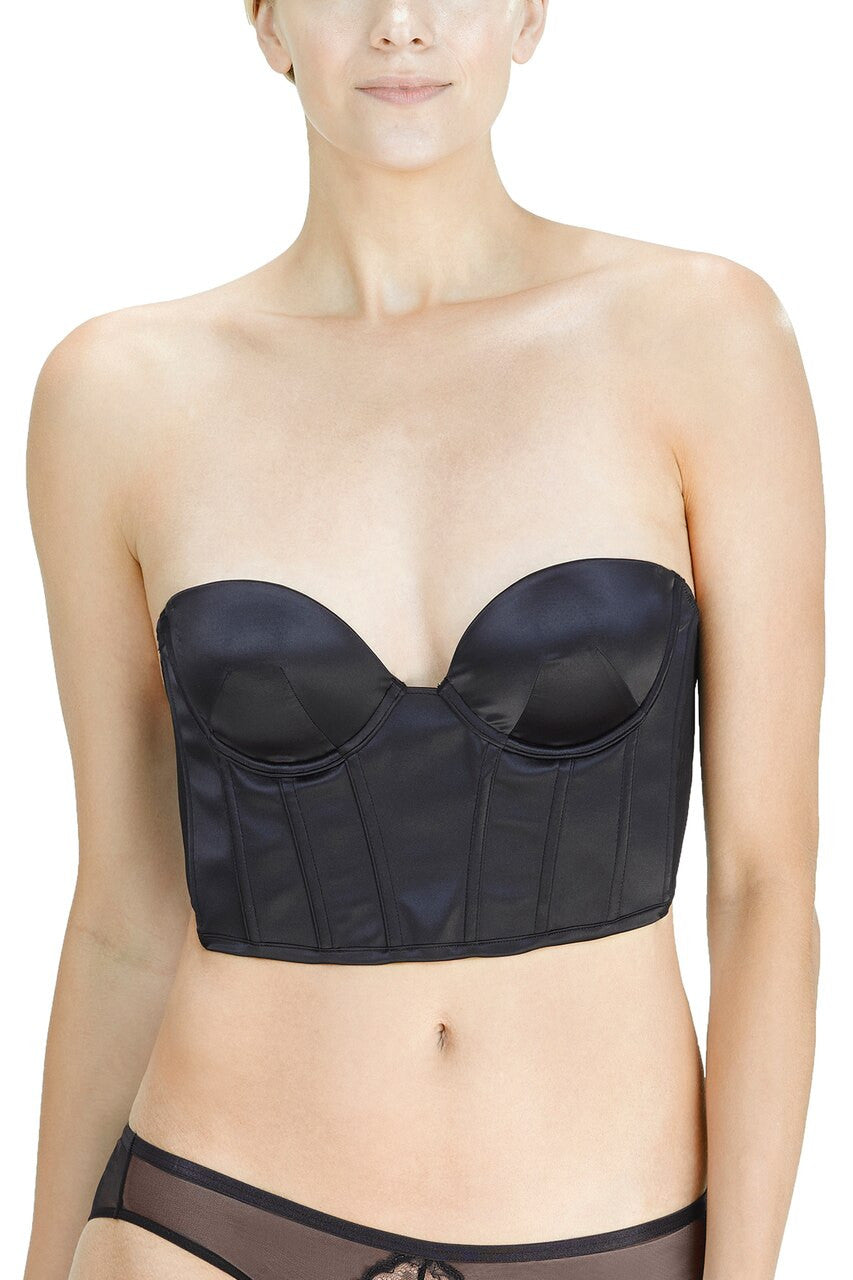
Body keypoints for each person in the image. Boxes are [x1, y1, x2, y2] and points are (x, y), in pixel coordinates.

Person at [22, 3, 824, 1279]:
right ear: (268, 23)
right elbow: (125, 907)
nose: (400, 26)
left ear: (528, 13)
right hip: (205, 1218)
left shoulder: (702, 338)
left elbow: (763, 885)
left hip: (604, 1230)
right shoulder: (115, 394)